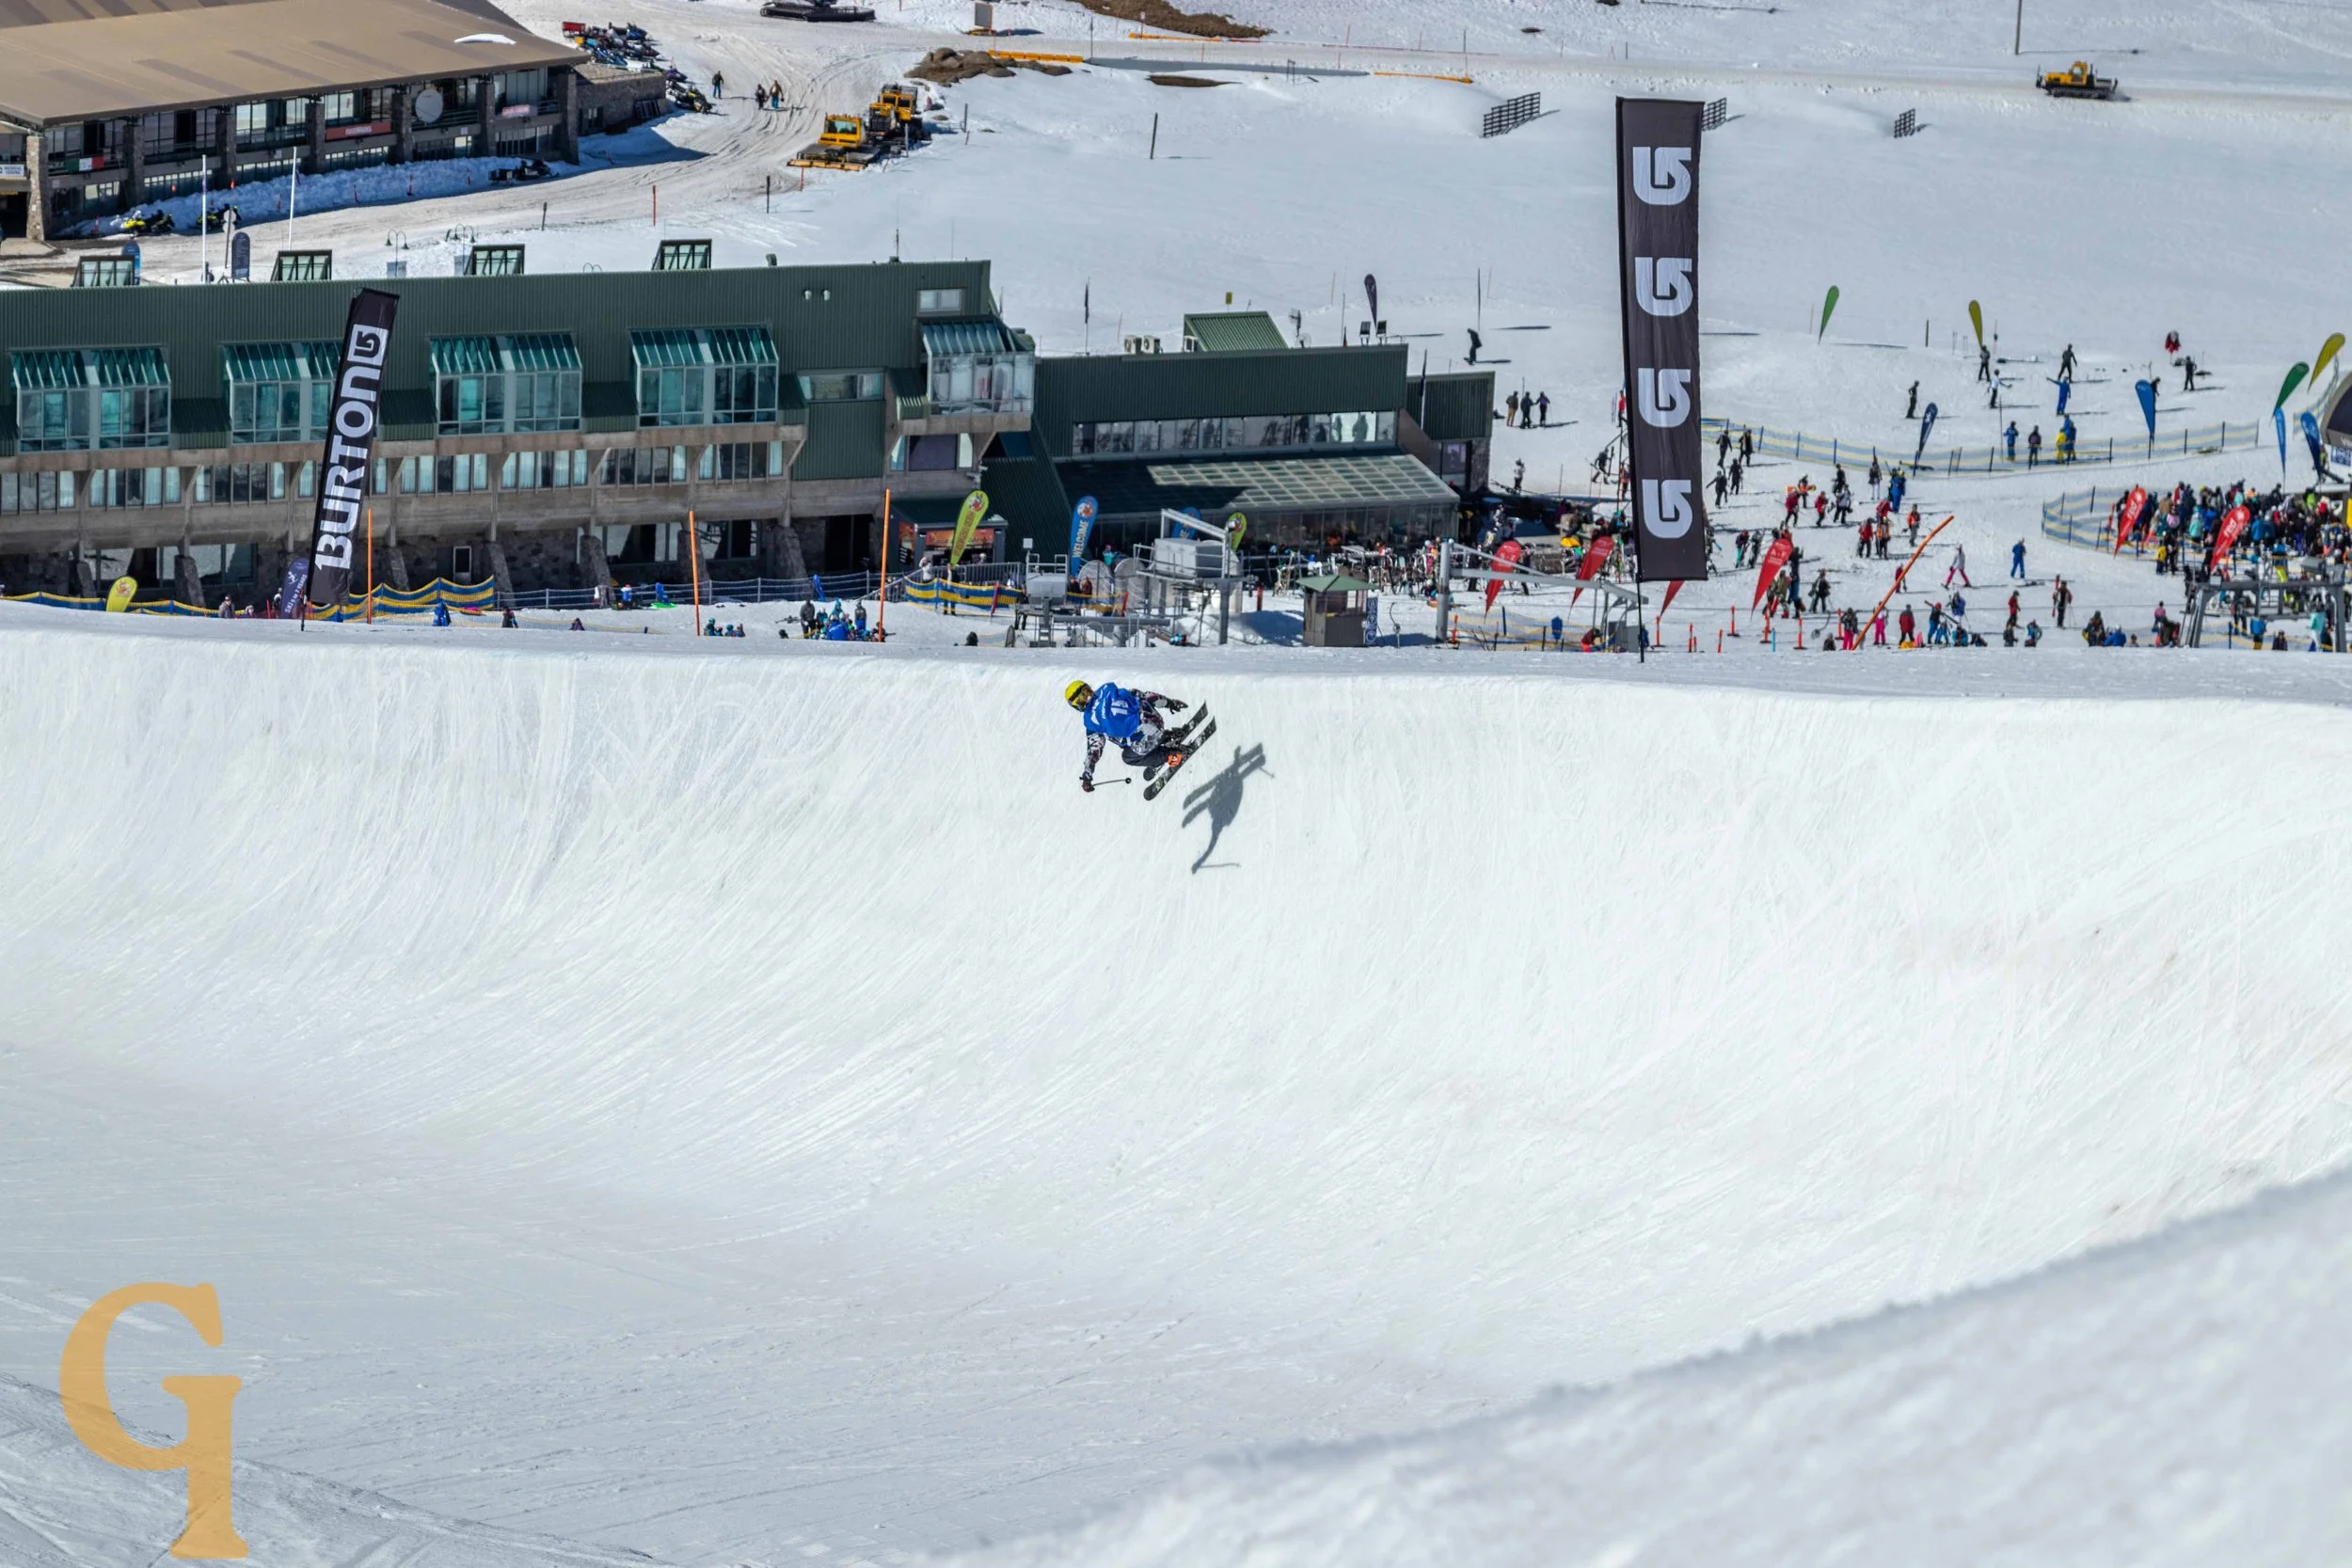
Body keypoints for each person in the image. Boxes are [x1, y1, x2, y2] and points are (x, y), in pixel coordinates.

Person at [1068, 679, 1194, 793]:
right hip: (1156, 721)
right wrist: (1169, 703)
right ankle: (1167, 736)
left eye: (1085, 692)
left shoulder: (1092, 723)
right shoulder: (1107, 691)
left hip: (1147, 738)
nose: (1087, 697)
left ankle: (1172, 755)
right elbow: (1143, 695)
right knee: (1137, 717)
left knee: (1128, 757)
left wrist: (1087, 776)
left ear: (1076, 706)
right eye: (1082, 696)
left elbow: (1094, 750)